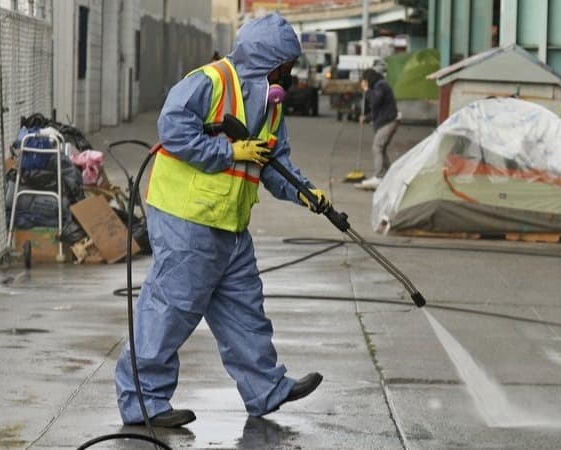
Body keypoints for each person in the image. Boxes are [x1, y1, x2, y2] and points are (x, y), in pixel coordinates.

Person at [114, 13, 329, 428]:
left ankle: (266, 388)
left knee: (244, 308)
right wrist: (230, 153)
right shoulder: (210, 81)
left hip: (229, 224)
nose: (292, 73)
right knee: (171, 309)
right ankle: (143, 402)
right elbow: (173, 130)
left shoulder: (270, 101)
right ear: (270, 59)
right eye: (287, 64)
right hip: (187, 218)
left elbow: (273, 161)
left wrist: (307, 193)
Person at [357, 68, 399, 190]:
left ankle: (379, 176)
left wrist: (366, 90)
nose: (364, 83)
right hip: (387, 121)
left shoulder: (381, 85)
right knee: (382, 148)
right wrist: (367, 117)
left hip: (388, 122)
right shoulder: (379, 86)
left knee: (377, 147)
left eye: (365, 81)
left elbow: (375, 100)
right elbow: (378, 108)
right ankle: (388, 175)